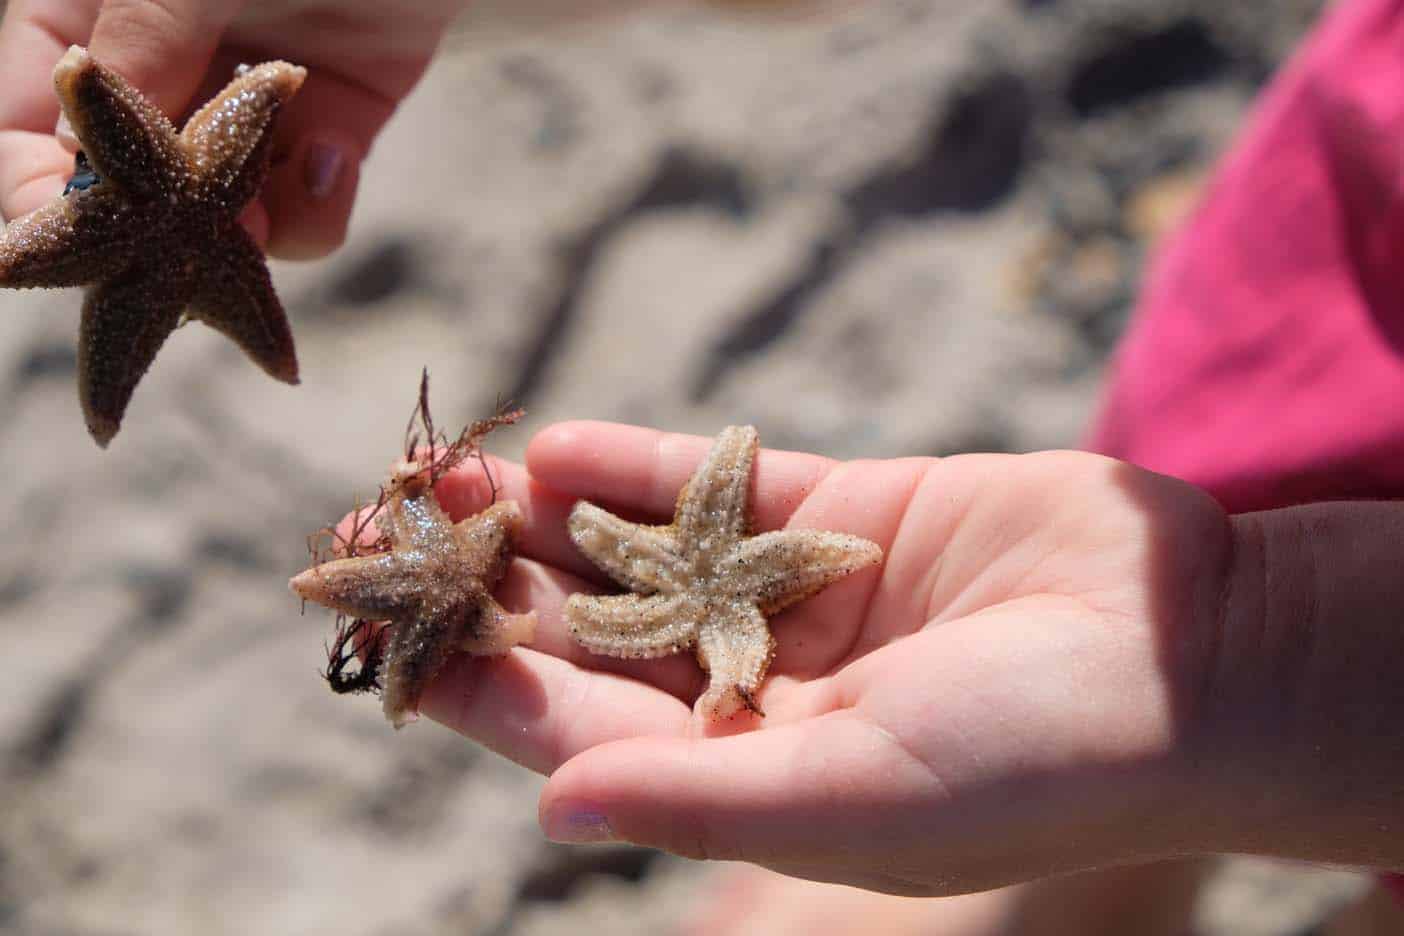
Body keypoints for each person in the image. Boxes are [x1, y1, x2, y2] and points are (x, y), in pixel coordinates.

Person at [2, 2, 1401, 934]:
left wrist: (1254, 688)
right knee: (1203, 478)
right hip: (1341, 287)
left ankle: (1195, 791)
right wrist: (1225, 652)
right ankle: (1116, 842)